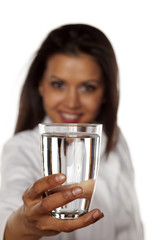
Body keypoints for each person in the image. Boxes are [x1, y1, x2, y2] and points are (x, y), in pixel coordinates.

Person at [0, 24, 144, 240]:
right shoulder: (22, 148)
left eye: (88, 87)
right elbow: (8, 221)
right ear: (40, 85)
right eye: (58, 84)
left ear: (106, 91)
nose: (71, 102)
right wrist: (25, 223)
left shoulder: (115, 140)